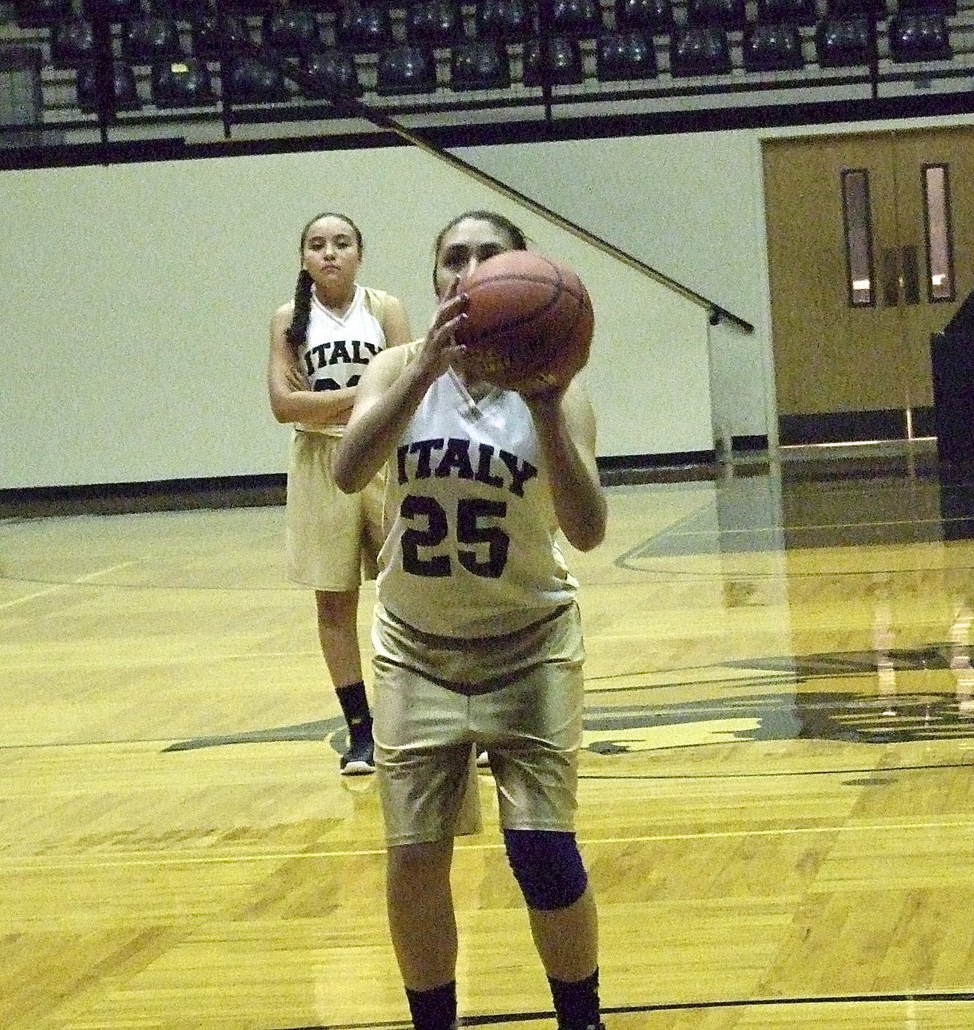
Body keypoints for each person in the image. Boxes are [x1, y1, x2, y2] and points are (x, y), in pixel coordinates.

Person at [332, 210, 607, 1030]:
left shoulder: (555, 386)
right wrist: (422, 374)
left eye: (492, 256)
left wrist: (551, 407)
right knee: (415, 858)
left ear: (521, 270)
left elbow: (588, 531)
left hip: (531, 647)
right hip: (417, 652)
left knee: (542, 852)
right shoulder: (392, 371)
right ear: (437, 283)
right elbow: (349, 472)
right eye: (456, 259)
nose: (473, 270)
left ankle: (581, 1017)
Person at [268, 211, 414, 775]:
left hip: (382, 455)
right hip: (317, 460)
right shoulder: (288, 319)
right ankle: (362, 732)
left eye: (341, 243)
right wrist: (364, 394)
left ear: (359, 254)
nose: (330, 253)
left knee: (413, 588)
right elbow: (283, 407)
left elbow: (410, 383)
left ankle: (427, 718)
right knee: (333, 600)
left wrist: (328, 400)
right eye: (317, 245)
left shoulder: (386, 309)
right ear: (304, 259)